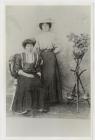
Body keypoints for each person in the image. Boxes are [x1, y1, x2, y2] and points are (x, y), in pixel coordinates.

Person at [9, 38, 47, 115]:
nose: (29, 48)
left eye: (31, 46)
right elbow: (17, 70)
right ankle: (26, 108)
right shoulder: (20, 56)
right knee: (28, 84)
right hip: (23, 74)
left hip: (33, 74)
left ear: (33, 47)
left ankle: (39, 106)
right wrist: (27, 75)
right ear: (25, 47)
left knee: (40, 84)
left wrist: (39, 73)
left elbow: (38, 67)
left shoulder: (36, 56)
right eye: (28, 46)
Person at [35, 19, 63, 110]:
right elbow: (36, 48)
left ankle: (53, 99)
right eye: (43, 25)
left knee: (51, 76)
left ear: (49, 26)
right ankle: (44, 100)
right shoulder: (38, 36)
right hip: (42, 56)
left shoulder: (53, 35)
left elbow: (59, 46)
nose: (45, 27)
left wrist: (53, 52)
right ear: (41, 27)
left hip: (51, 57)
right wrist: (38, 57)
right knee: (43, 76)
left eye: (47, 25)